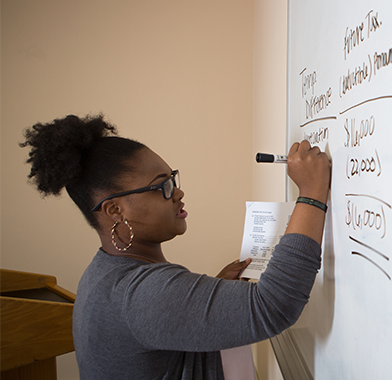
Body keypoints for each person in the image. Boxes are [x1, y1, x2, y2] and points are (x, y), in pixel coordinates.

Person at [20, 114, 331, 379]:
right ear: (115, 210)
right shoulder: (141, 293)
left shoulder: (103, 273)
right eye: (162, 186)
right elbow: (274, 306)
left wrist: (213, 295)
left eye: (173, 179)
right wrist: (312, 193)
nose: (178, 193)